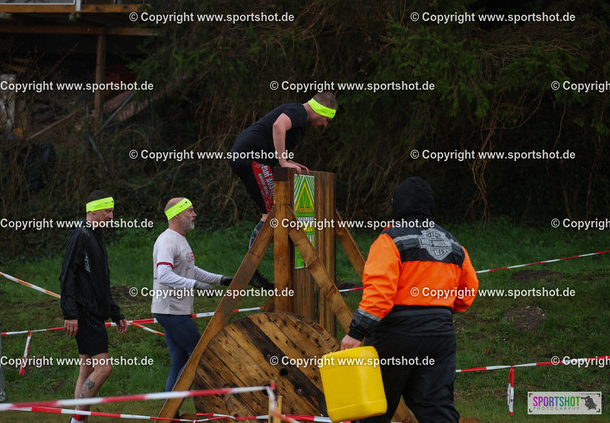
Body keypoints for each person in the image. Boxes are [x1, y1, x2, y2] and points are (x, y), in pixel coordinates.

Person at [341, 177, 479, 423]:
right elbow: (467, 292)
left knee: (373, 409)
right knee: (437, 409)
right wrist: (439, 311)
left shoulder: (390, 240)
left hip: (397, 335)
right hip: (440, 336)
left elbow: (380, 293)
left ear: (398, 205)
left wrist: (356, 332)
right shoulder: (452, 243)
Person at [229, 92, 338, 288]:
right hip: (251, 159)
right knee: (273, 212)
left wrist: (286, 160)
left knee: (275, 212)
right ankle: (250, 272)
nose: (324, 125)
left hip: (253, 158)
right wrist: (282, 161)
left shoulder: (298, 114)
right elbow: (278, 126)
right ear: (320, 111)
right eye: (326, 120)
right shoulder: (299, 112)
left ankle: (261, 272)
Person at [60, 191, 128, 423]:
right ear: (93, 211)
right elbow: (67, 275)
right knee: (103, 368)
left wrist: (115, 312)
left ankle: (78, 419)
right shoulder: (80, 235)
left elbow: (100, 282)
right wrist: (70, 313)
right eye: (107, 211)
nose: (111, 216)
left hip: (95, 313)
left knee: (87, 369)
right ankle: (77, 420)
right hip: (84, 314)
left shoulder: (95, 235)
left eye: (112, 211)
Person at [151, 197, 232, 392]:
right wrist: (196, 285)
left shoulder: (180, 238)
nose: (194, 214)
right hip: (171, 310)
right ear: (177, 215)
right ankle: (177, 406)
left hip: (175, 310)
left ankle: (169, 409)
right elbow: (164, 275)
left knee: (179, 361)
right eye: (190, 211)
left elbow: (189, 270)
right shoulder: (167, 240)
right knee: (199, 354)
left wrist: (221, 280)